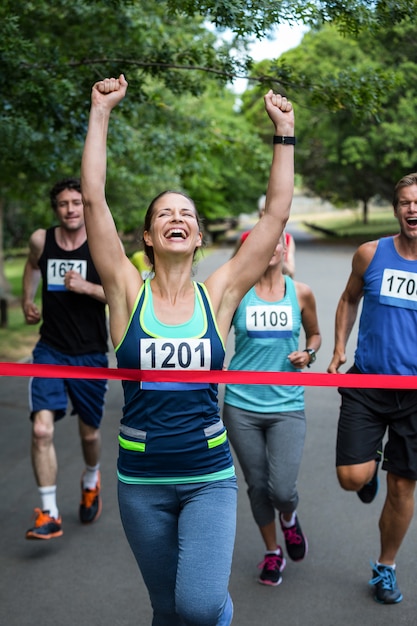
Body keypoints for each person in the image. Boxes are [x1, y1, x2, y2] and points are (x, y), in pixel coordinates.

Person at [81, 73, 295, 625]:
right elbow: (93, 199)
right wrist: (100, 112)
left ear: (199, 236)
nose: (177, 218)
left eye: (187, 215)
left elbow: (274, 216)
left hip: (208, 477)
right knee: (167, 610)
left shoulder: (219, 294)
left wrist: (285, 134)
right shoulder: (126, 293)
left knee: (200, 606)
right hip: (141, 481)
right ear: (147, 238)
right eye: (164, 214)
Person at [327, 172, 417, 605]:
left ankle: (386, 567)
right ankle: (370, 460)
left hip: (415, 395)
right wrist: (339, 346)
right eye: (405, 202)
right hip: (366, 382)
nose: (412, 209)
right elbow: (348, 298)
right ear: (395, 207)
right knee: (352, 479)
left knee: (402, 487)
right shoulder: (370, 254)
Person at [223, 232, 321, 586]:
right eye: (260, 243)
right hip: (240, 405)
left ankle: (289, 520)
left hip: (287, 405)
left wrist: (308, 353)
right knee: (257, 486)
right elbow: (214, 338)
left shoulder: (301, 293)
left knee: (281, 489)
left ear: (284, 248)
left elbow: (315, 336)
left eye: (275, 242)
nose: (269, 248)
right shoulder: (238, 293)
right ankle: (272, 552)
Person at [22, 177, 109, 540]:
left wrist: (86, 287)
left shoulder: (101, 243)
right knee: (42, 429)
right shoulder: (42, 240)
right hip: (50, 350)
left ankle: (91, 479)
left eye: (77, 202)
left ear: (84, 205)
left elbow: (124, 293)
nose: (71, 209)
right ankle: (49, 512)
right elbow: (32, 265)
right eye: (63, 203)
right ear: (55, 208)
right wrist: (29, 299)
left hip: (90, 353)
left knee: (89, 433)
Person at [234, 193, 296, 277]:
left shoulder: (287, 239)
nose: (268, 214)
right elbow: (233, 266)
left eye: (271, 210)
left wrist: (277, 259)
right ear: (258, 213)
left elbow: (291, 271)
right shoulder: (245, 237)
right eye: (264, 210)